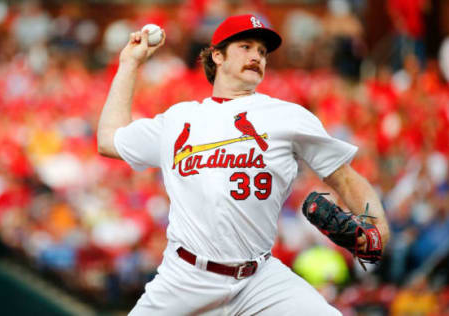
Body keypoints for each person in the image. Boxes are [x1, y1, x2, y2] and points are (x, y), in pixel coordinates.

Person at [97, 14, 390, 316]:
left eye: (262, 52)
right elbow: (108, 140)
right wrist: (129, 64)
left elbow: (344, 177)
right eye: (246, 47)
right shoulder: (178, 119)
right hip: (185, 278)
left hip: (259, 280)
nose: (256, 56)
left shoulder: (287, 116)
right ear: (217, 55)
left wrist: (378, 228)